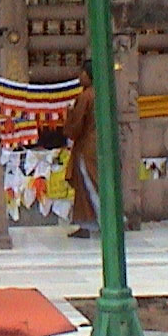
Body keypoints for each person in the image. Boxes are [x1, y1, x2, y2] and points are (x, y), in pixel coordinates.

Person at [63, 60, 100, 239]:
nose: (80, 77)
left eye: (82, 73)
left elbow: (75, 126)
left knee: (88, 185)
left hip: (87, 147)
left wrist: (69, 114)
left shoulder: (85, 97)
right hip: (101, 146)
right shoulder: (104, 94)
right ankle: (87, 224)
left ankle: (97, 222)